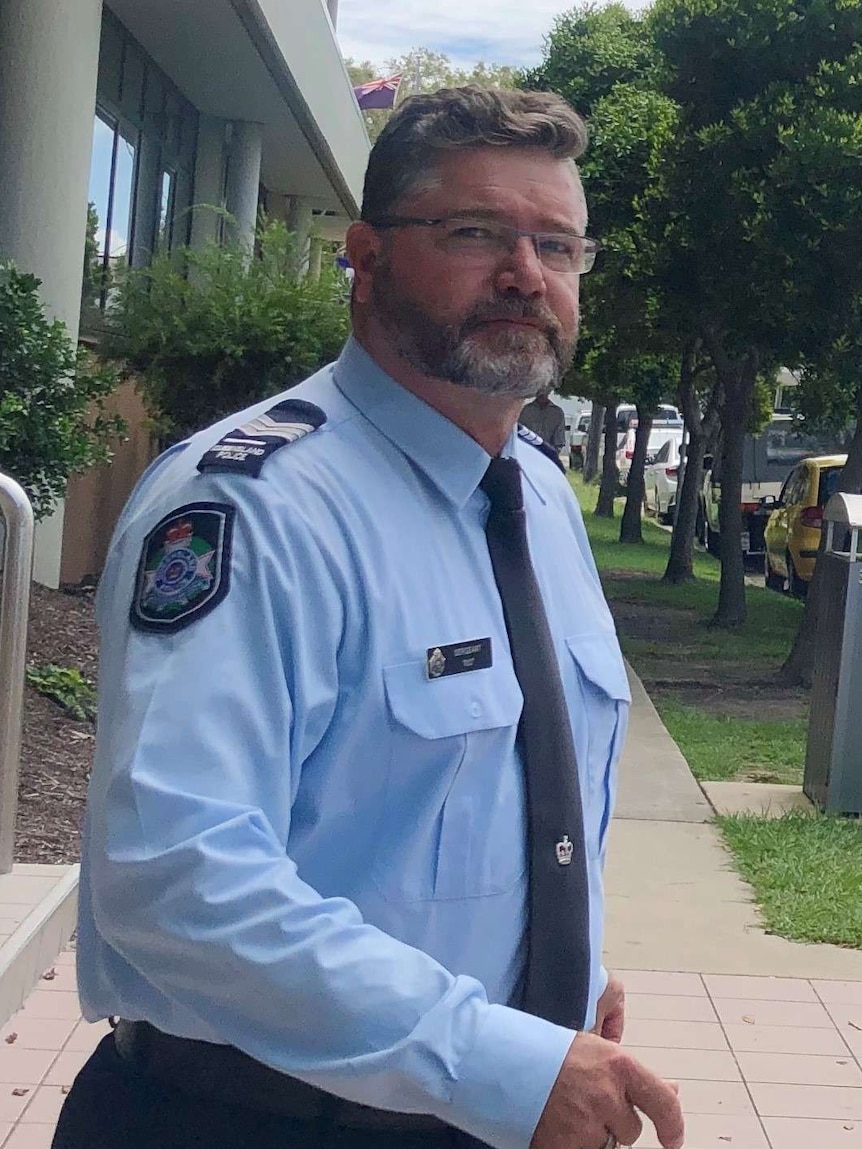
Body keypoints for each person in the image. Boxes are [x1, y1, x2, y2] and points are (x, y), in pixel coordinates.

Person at [53, 87, 685, 1149]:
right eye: (475, 233)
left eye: (557, 245)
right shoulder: (255, 507)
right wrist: (498, 1057)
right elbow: (175, 880)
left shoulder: (535, 500)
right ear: (365, 259)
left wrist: (551, 976)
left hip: (474, 1110)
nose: (525, 274)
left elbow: (450, 810)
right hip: (247, 1120)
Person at [519, 388, 567, 458]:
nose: (543, 393)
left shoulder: (557, 412)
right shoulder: (526, 410)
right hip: (527, 453)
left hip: (547, 455)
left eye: (545, 389)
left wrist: (553, 455)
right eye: (540, 390)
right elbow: (519, 433)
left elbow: (559, 439)